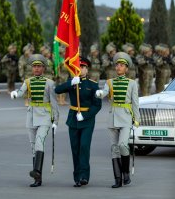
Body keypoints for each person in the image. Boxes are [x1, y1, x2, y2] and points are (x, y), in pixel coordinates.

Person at [10, 54, 59, 187]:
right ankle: (37, 179)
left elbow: (54, 103)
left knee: (39, 142)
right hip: (31, 116)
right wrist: (15, 94)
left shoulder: (49, 83)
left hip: (44, 116)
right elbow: (21, 92)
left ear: (43, 68)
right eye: (34, 66)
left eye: (39, 66)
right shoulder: (28, 81)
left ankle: (36, 171)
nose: (36, 69)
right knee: (33, 146)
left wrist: (56, 121)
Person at [55, 57, 102, 187]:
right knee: (75, 149)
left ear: (87, 69)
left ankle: (84, 176)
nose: (80, 69)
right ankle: (77, 177)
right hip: (73, 120)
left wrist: (86, 115)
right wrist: (70, 83)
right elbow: (57, 90)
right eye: (78, 67)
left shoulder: (93, 84)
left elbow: (97, 105)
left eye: (83, 67)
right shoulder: (72, 82)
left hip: (87, 120)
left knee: (84, 147)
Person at [96, 52, 140, 188]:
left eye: (122, 65)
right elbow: (104, 92)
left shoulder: (132, 84)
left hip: (126, 117)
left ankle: (125, 172)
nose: (119, 67)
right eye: (117, 65)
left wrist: (136, 118)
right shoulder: (110, 82)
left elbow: (135, 103)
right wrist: (99, 94)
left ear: (126, 69)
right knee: (114, 148)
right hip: (113, 117)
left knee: (123, 145)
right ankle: (117, 179)